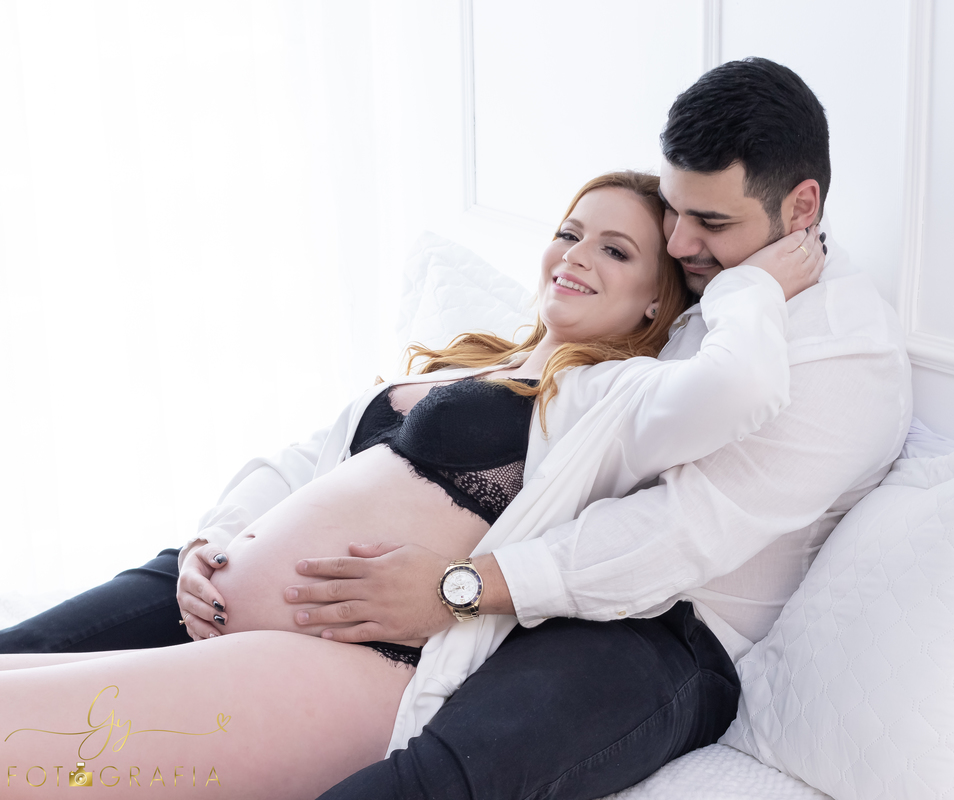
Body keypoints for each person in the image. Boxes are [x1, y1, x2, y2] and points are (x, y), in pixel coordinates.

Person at [0, 170, 824, 798]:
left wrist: (749, 290)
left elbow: (738, 390)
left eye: (614, 250)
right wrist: (218, 538)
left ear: (657, 302)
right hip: (232, 617)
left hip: (352, 666)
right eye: (569, 233)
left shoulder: (607, 403)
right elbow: (302, 459)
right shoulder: (473, 359)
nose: (575, 257)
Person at [307, 57, 913, 799]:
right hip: (546, 564)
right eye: (674, 208)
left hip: (668, 631)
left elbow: (677, 534)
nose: (681, 242)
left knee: (436, 780)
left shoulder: (848, 358)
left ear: (802, 206)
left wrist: (459, 588)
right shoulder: (700, 279)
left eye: (712, 222)